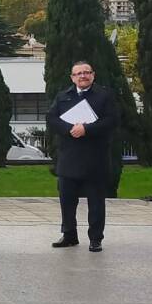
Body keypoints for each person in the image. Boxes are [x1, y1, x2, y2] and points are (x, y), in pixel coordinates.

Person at [46, 60, 120, 252]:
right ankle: (69, 235)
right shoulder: (63, 96)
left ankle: (96, 238)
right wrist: (70, 129)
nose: (82, 76)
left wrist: (86, 129)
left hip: (95, 159)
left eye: (86, 72)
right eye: (78, 73)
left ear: (93, 75)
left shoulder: (104, 96)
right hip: (69, 158)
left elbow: (112, 120)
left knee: (96, 203)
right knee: (67, 201)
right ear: (72, 77)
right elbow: (51, 118)